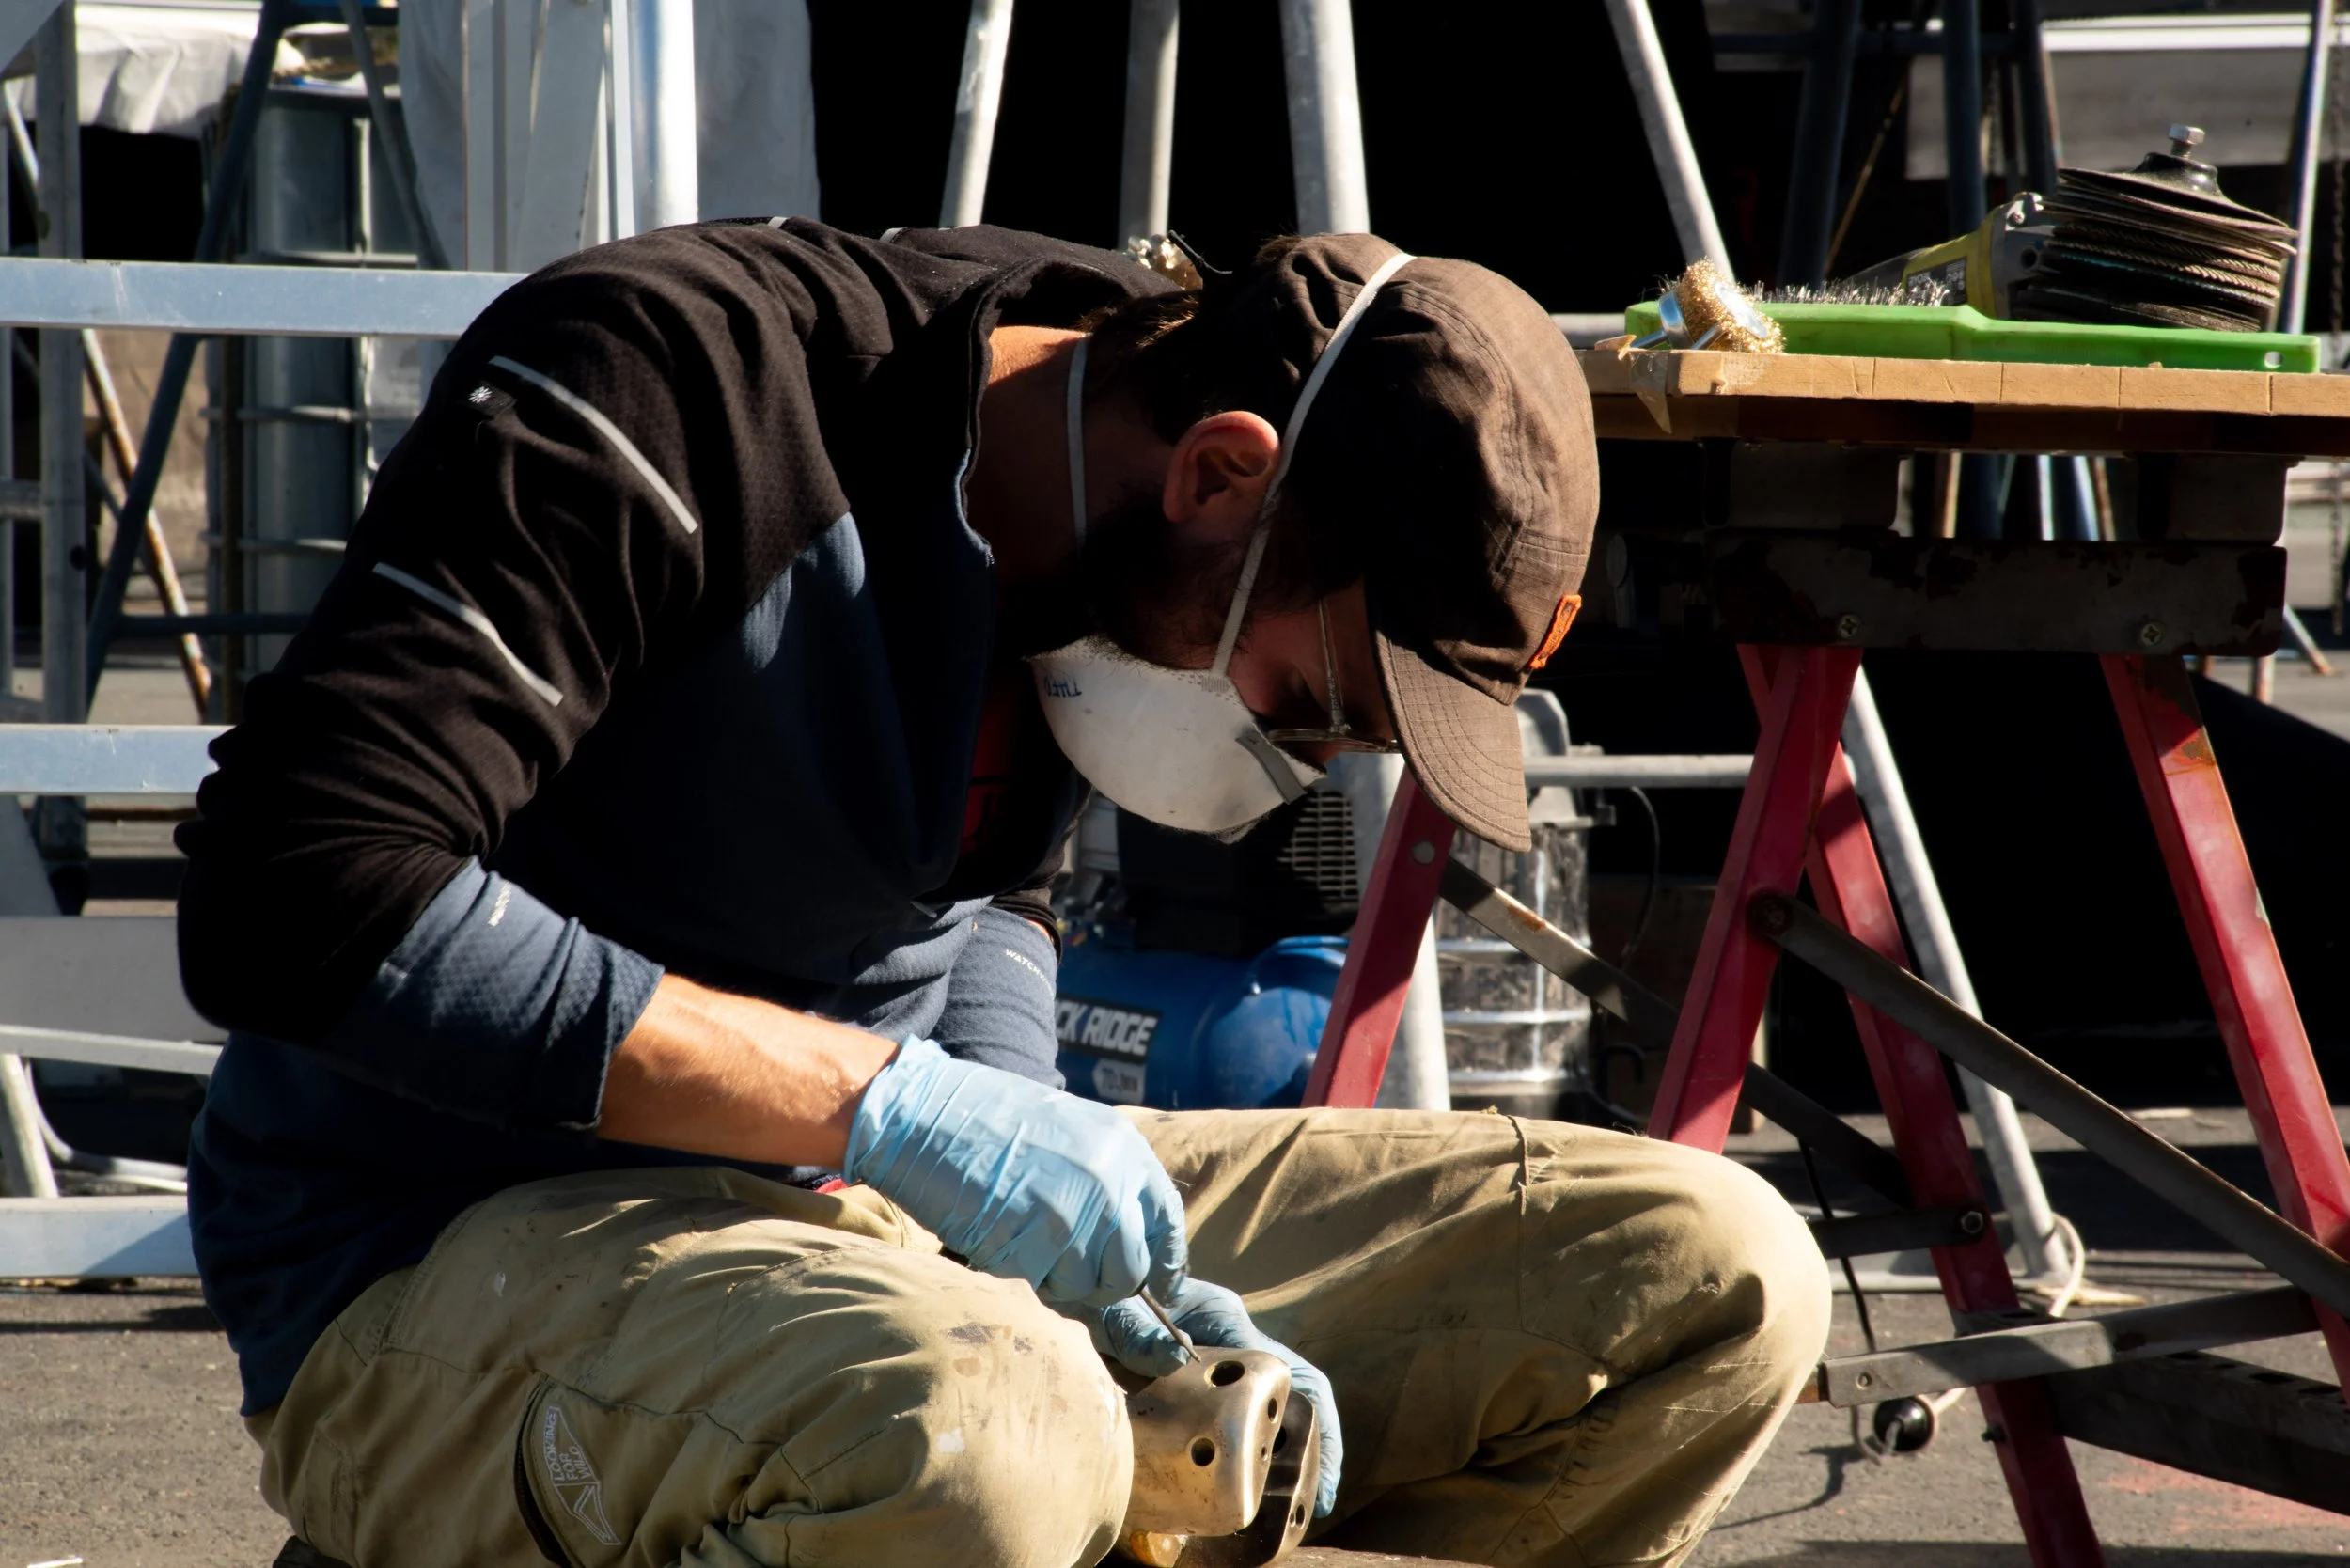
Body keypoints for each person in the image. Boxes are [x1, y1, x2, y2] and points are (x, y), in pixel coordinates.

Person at [176, 219, 1828, 1568]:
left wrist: (1019, 1154)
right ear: (1217, 476)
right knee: (987, 1445)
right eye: (1314, 702)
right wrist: (896, 1108)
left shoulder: (1089, 441)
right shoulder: (674, 379)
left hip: (869, 1223)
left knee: (1713, 1277)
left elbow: (979, 903)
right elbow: (298, 892)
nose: (1310, 768)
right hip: (448, 1245)